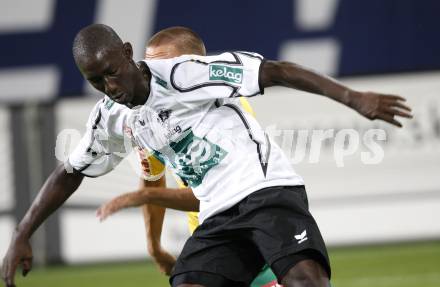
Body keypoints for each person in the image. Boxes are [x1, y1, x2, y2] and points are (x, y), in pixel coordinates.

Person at [1, 23, 412, 287]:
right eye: (95, 81)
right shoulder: (111, 116)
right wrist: (21, 233)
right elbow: (70, 171)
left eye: (112, 72)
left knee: (306, 282)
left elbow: (276, 70)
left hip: (265, 192)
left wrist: (354, 97)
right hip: (217, 217)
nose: (109, 86)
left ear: (127, 53)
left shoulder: (184, 74)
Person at [135, 27, 279, 286]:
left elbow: (225, 189)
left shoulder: (227, 107)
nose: (155, 77)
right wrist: (154, 246)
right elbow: (153, 180)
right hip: (212, 248)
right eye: (150, 68)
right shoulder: (148, 122)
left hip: (251, 243)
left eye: (166, 67)